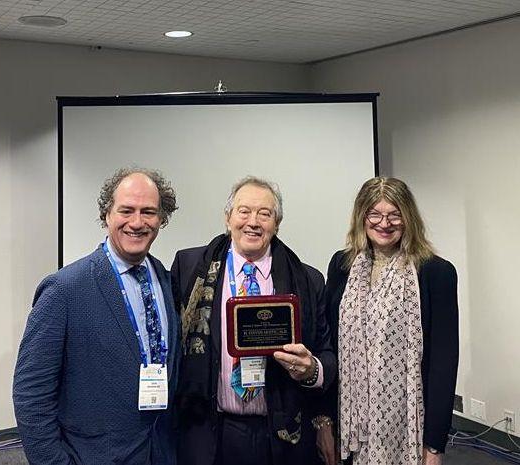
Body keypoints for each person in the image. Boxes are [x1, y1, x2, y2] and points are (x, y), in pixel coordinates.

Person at [13, 168, 181, 465]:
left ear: (161, 219)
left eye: (149, 212)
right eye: (126, 210)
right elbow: (31, 394)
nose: (137, 222)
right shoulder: (64, 289)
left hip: (160, 452)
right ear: (107, 215)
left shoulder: (166, 281)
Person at [171, 176, 336, 465]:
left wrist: (311, 370)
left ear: (277, 223)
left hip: (283, 435)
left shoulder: (308, 280)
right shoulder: (189, 268)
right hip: (211, 433)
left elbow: (326, 353)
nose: (253, 222)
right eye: (244, 211)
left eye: (265, 214)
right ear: (228, 218)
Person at [316, 177, 459, 465]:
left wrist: (434, 447)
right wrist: (324, 421)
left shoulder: (435, 272)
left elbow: (443, 364)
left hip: (407, 430)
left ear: (408, 218)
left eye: (395, 214)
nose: (385, 223)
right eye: (375, 214)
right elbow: (329, 344)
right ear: (362, 217)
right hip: (351, 426)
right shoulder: (342, 266)